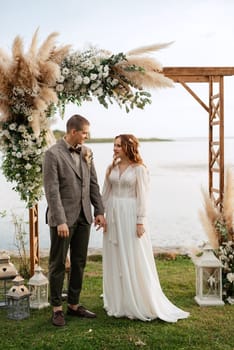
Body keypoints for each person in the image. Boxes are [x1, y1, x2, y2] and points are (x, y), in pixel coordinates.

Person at [102, 134, 190, 322]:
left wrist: (140, 221)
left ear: (128, 147)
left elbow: (143, 197)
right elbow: (105, 193)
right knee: (115, 255)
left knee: (134, 254)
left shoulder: (140, 170)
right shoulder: (111, 168)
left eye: (118, 145)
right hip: (113, 215)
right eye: (114, 145)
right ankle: (120, 299)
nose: (115, 148)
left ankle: (139, 298)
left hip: (131, 214)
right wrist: (101, 214)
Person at [43, 114, 105, 327]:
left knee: (79, 262)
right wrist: (60, 220)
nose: (87, 136)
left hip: (84, 217)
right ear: (73, 132)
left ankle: (74, 304)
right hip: (62, 219)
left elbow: (93, 183)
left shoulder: (87, 152)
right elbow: (51, 191)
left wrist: (99, 210)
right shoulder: (52, 154)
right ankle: (57, 308)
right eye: (85, 132)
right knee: (58, 263)